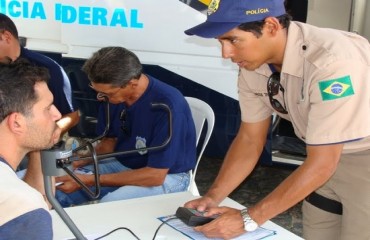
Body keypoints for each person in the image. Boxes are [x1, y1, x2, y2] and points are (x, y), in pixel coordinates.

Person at [183, 0, 370, 239]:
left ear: (271, 26)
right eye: (220, 41)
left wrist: (248, 220)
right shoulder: (254, 64)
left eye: (232, 40)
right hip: (320, 157)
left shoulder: (333, 63)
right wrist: (212, 197)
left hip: (362, 161)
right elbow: (251, 138)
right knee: (318, 233)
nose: (226, 54)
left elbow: (323, 164)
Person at [55, 46, 197, 207]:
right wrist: (77, 161)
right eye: (96, 90)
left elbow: (155, 176)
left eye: (108, 94)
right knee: (56, 187)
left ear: (132, 83)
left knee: (110, 205)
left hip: (168, 176)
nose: (100, 97)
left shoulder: (167, 107)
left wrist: (88, 180)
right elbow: (109, 144)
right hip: (125, 164)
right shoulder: (115, 96)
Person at [0, 13, 79, 199]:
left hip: (34, 144)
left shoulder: (48, 68)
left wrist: (51, 131)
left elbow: (72, 115)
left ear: (6, 36)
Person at [0, 59, 62, 239]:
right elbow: (33, 206)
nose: (57, 114)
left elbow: (41, 200)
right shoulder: (24, 206)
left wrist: (43, 142)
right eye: (48, 108)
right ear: (17, 122)